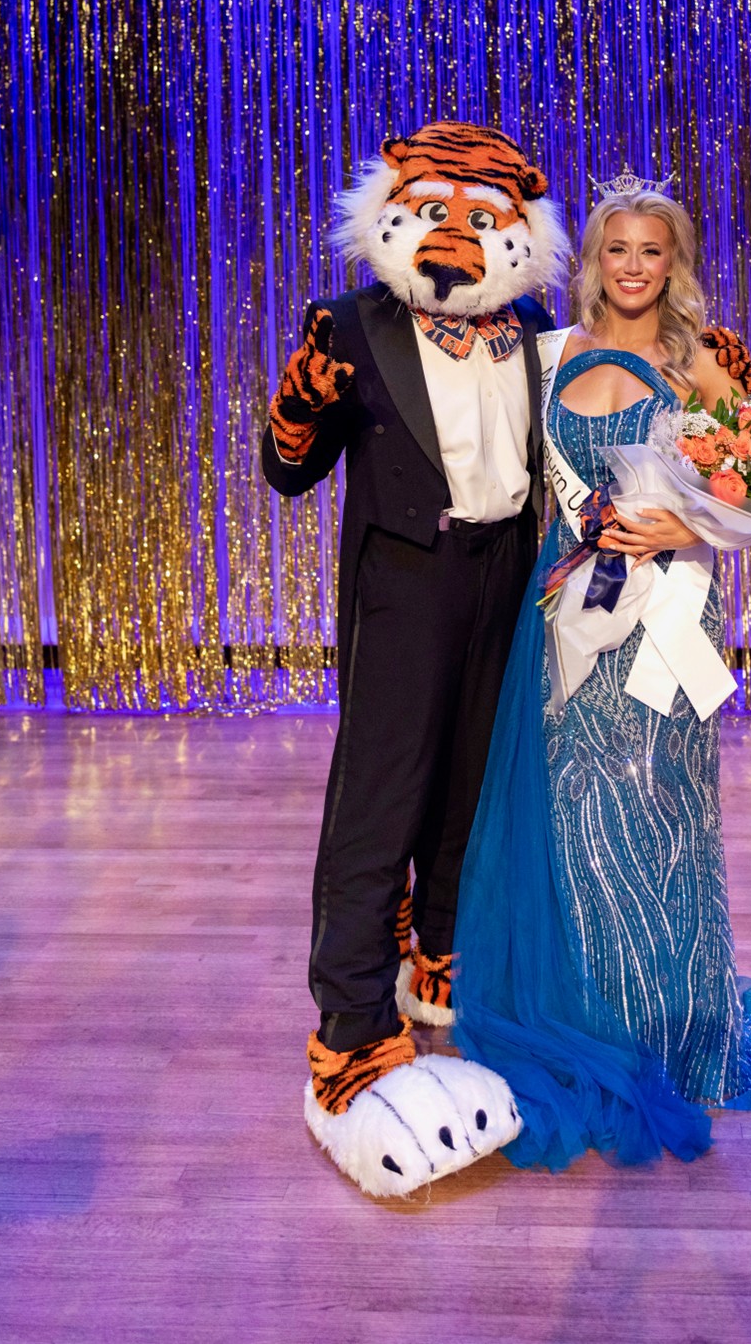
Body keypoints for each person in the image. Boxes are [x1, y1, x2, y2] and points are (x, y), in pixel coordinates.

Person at [452, 173, 751, 1170]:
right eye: (616, 250)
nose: (633, 267)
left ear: (673, 264)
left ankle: (671, 1023)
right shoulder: (552, 356)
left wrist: (687, 520)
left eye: (652, 251)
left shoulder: (701, 360)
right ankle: (591, 1005)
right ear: (592, 263)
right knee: (575, 802)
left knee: (659, 802)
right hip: (568, 602)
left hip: (666, 603)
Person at [261, 120, 566, 1196]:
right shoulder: (349, 326)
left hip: (507, 580)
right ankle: (347, 1031)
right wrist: (298, 400)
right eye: (437, 212)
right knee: (378, 801)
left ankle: (440, 969)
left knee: (471, 791)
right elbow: (286, 472)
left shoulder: (536, 332)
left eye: (484, 219)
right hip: (406, 582)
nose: (458, 238)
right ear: (392, 217)